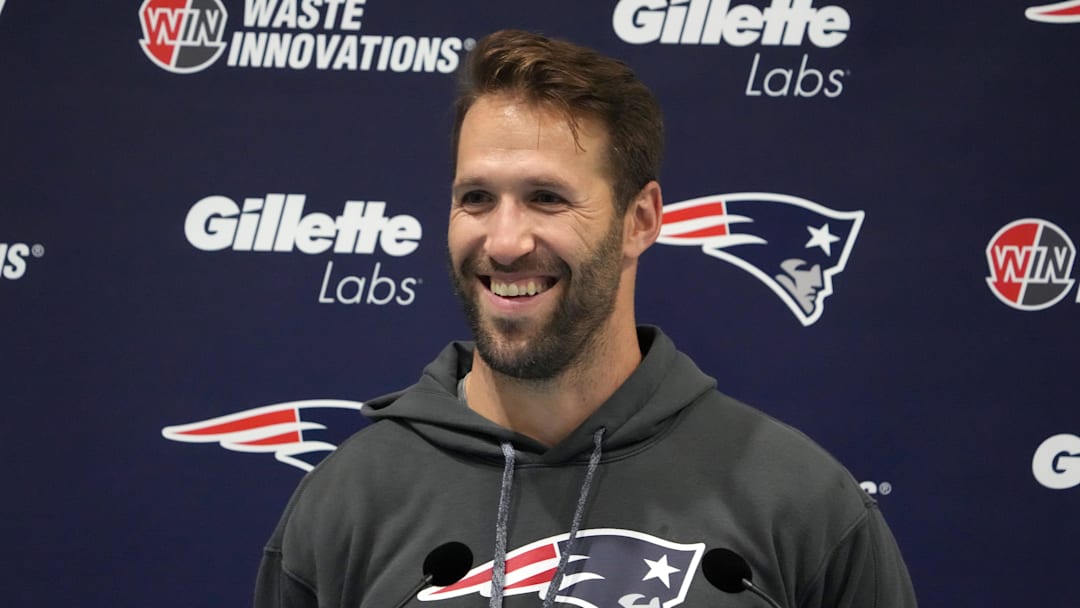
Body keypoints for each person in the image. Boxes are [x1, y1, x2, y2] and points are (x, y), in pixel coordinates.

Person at [254, 29, 917, 608]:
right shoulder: (346, 503)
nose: (506, 241)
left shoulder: (800, 504)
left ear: (641, 220)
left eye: (546, 198)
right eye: (477, 198)